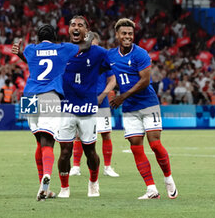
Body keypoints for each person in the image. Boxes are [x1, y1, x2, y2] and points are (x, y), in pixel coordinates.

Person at [11, 24, 93, 201]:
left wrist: (19, 54)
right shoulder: (62, 48)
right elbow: (84, 46)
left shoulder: (31, 49)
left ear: (38, 39)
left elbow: (32, 63)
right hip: (49, 95)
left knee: (39, 142)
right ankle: (46, 179)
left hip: (29, 96)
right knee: (48, 142)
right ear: (55, 38)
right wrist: (89, 34)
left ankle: (43, 185)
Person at [105, 18, 178, 199]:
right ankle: (151, 189)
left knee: (154, 144)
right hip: (130, 109)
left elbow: (145, 81)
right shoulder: (110, 56)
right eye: (124, 33)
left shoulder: (141, 54)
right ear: (117, 35)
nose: (127, 36)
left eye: (130, 33)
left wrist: (122, 96)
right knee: (136, 147)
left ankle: (168, 178)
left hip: (148, 104)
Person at [56, 16, 108, 198]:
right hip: (66, 109)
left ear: (87, 31)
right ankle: (64, 188)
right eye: (72, 25)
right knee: (64, 152)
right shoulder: (61, 50)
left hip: (88, 110)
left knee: (90, 151)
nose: (75, 27)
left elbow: (112, 69)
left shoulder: (98, 52)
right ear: (68, 29)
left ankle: (93, 183)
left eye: (80, 25)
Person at [69, 33, 119, 178]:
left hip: (101, 102)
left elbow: (112, 80)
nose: (93, 48)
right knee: (78, 135)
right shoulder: (78, 59)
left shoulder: (104, 60)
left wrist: (103, 95)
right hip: (83, 101)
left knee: (106, 134)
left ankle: (107, 167)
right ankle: (76, 167)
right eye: (91, 45)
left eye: (95, 45)